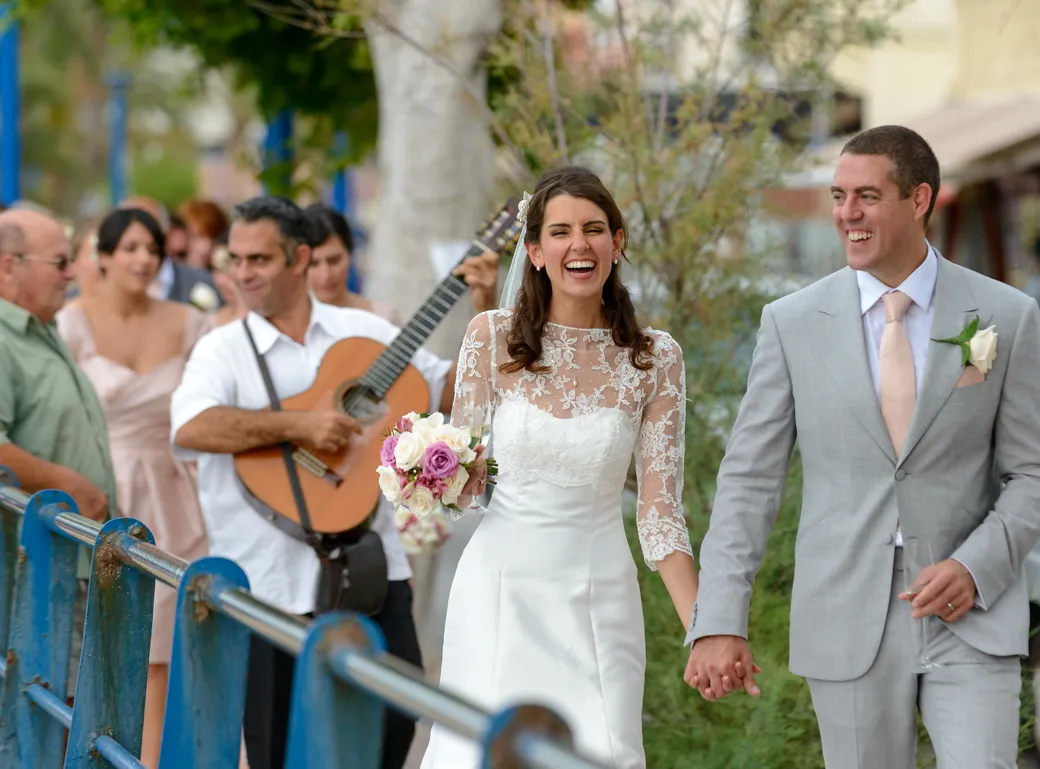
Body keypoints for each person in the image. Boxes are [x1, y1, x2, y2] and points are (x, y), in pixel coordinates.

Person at [684, 125, 1040, 769]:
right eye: (838, 196)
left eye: (866, 196)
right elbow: (749, 480)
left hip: (969, 607)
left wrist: (976, 564)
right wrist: (719, 618)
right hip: (843, 610)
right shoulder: (791, 322)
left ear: (919, 200)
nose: (846, 215)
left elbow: (1036, 475)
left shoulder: (1007, 314)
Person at [169, 195, 476, 769]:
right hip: (268, 582)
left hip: (371, 570)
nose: (242, 273)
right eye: (235, 259)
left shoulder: (363, 331)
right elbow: (191, 427)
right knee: (276, 744)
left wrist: (490, 309)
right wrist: (299, 424)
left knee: (394, 718)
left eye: (258, 259)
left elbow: (448, 389)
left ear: (300, 258)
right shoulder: (222, 349)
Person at [421, 166, 696, 769]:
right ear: (535, 250)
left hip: (600, 593)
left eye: (595, 229)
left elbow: (659, 516)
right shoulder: (488, 337)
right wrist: (425, 471)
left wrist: (704, 629)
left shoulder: (655, 359)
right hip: (497, 589)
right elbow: (466, 487)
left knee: (602, 749)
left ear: (617, 243)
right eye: (562, 231)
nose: (580, 245)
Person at [56, 207, 212, 769]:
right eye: (131, 249)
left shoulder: (189, 322)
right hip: (103, 492)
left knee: (163, 654)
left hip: (175, 495)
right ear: (104, 256)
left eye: (153, 249)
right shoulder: (72, 322)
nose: (144, 259)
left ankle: (150, 759)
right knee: (105, 644)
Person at [0, 207, 117, 709]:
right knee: (54, 720)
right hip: (42, 575)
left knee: (73, 718)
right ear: (9, 265)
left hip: (67, 567)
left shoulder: (37, 329)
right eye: (61, 262)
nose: (72, 274)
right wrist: (71, 485)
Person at [303, 203, 500, 324]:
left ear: (350, 253)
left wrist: (483, 310)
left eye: (334, 260)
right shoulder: (284, 325)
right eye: (314, 264)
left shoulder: (381, 318)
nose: (326, 274)